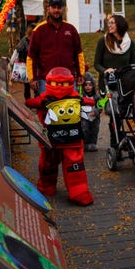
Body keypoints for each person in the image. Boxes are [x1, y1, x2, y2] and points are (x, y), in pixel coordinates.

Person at [25, 67, 94, 206]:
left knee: (48, 165)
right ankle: (79, 193)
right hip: (72, 139)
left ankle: (46, 187)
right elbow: (87, 101)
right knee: (75, 167)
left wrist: (29, 100)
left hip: (51, 140)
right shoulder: (75, 95)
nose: (60, 88)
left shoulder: (45, 97)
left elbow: (32, 102)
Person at [27, 0, 85, 96]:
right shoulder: (39, 30)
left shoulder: (71, 29)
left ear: (63, 9)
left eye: (59, 7)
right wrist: (32, 78)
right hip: (45, 80)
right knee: (47, 109)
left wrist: (80, 74)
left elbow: (78, 54)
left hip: (68, 78)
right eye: (54, 7)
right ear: (48, 9)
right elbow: (31, 57)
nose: (56, 10)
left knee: (70, 108)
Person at [93, 14, 135, 147]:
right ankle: (115, 140)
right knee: (114, 112)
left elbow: (132, 63)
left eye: (112, 23)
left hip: (123, 83)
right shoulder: (103, 41)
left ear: (120, 24)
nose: (109, 25)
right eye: (109, 23)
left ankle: (124, 137)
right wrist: (105, 70)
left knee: (124, 112)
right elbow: (97, 63)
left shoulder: (130, 43)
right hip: (108, 83)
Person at [10, 23, 35, 99]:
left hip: (35, 66)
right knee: (27, 86)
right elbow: (16, 53)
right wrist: (12, 63)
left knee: (35, 86)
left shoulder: (36, 40)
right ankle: (28, 102)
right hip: (25, 67)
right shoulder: (24, 41)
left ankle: (35, 101)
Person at [80, 72, 101, 151]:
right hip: (84, 116)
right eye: (86, 85)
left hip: (94, 117)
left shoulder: (96, 96)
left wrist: (96, 112)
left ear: (93, 86)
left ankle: (93, 143)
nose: (88, 87)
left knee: (94, 129)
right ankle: (85, 143)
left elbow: (100, 106)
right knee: (85, 129)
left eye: (90, 85)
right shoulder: (82, 96)